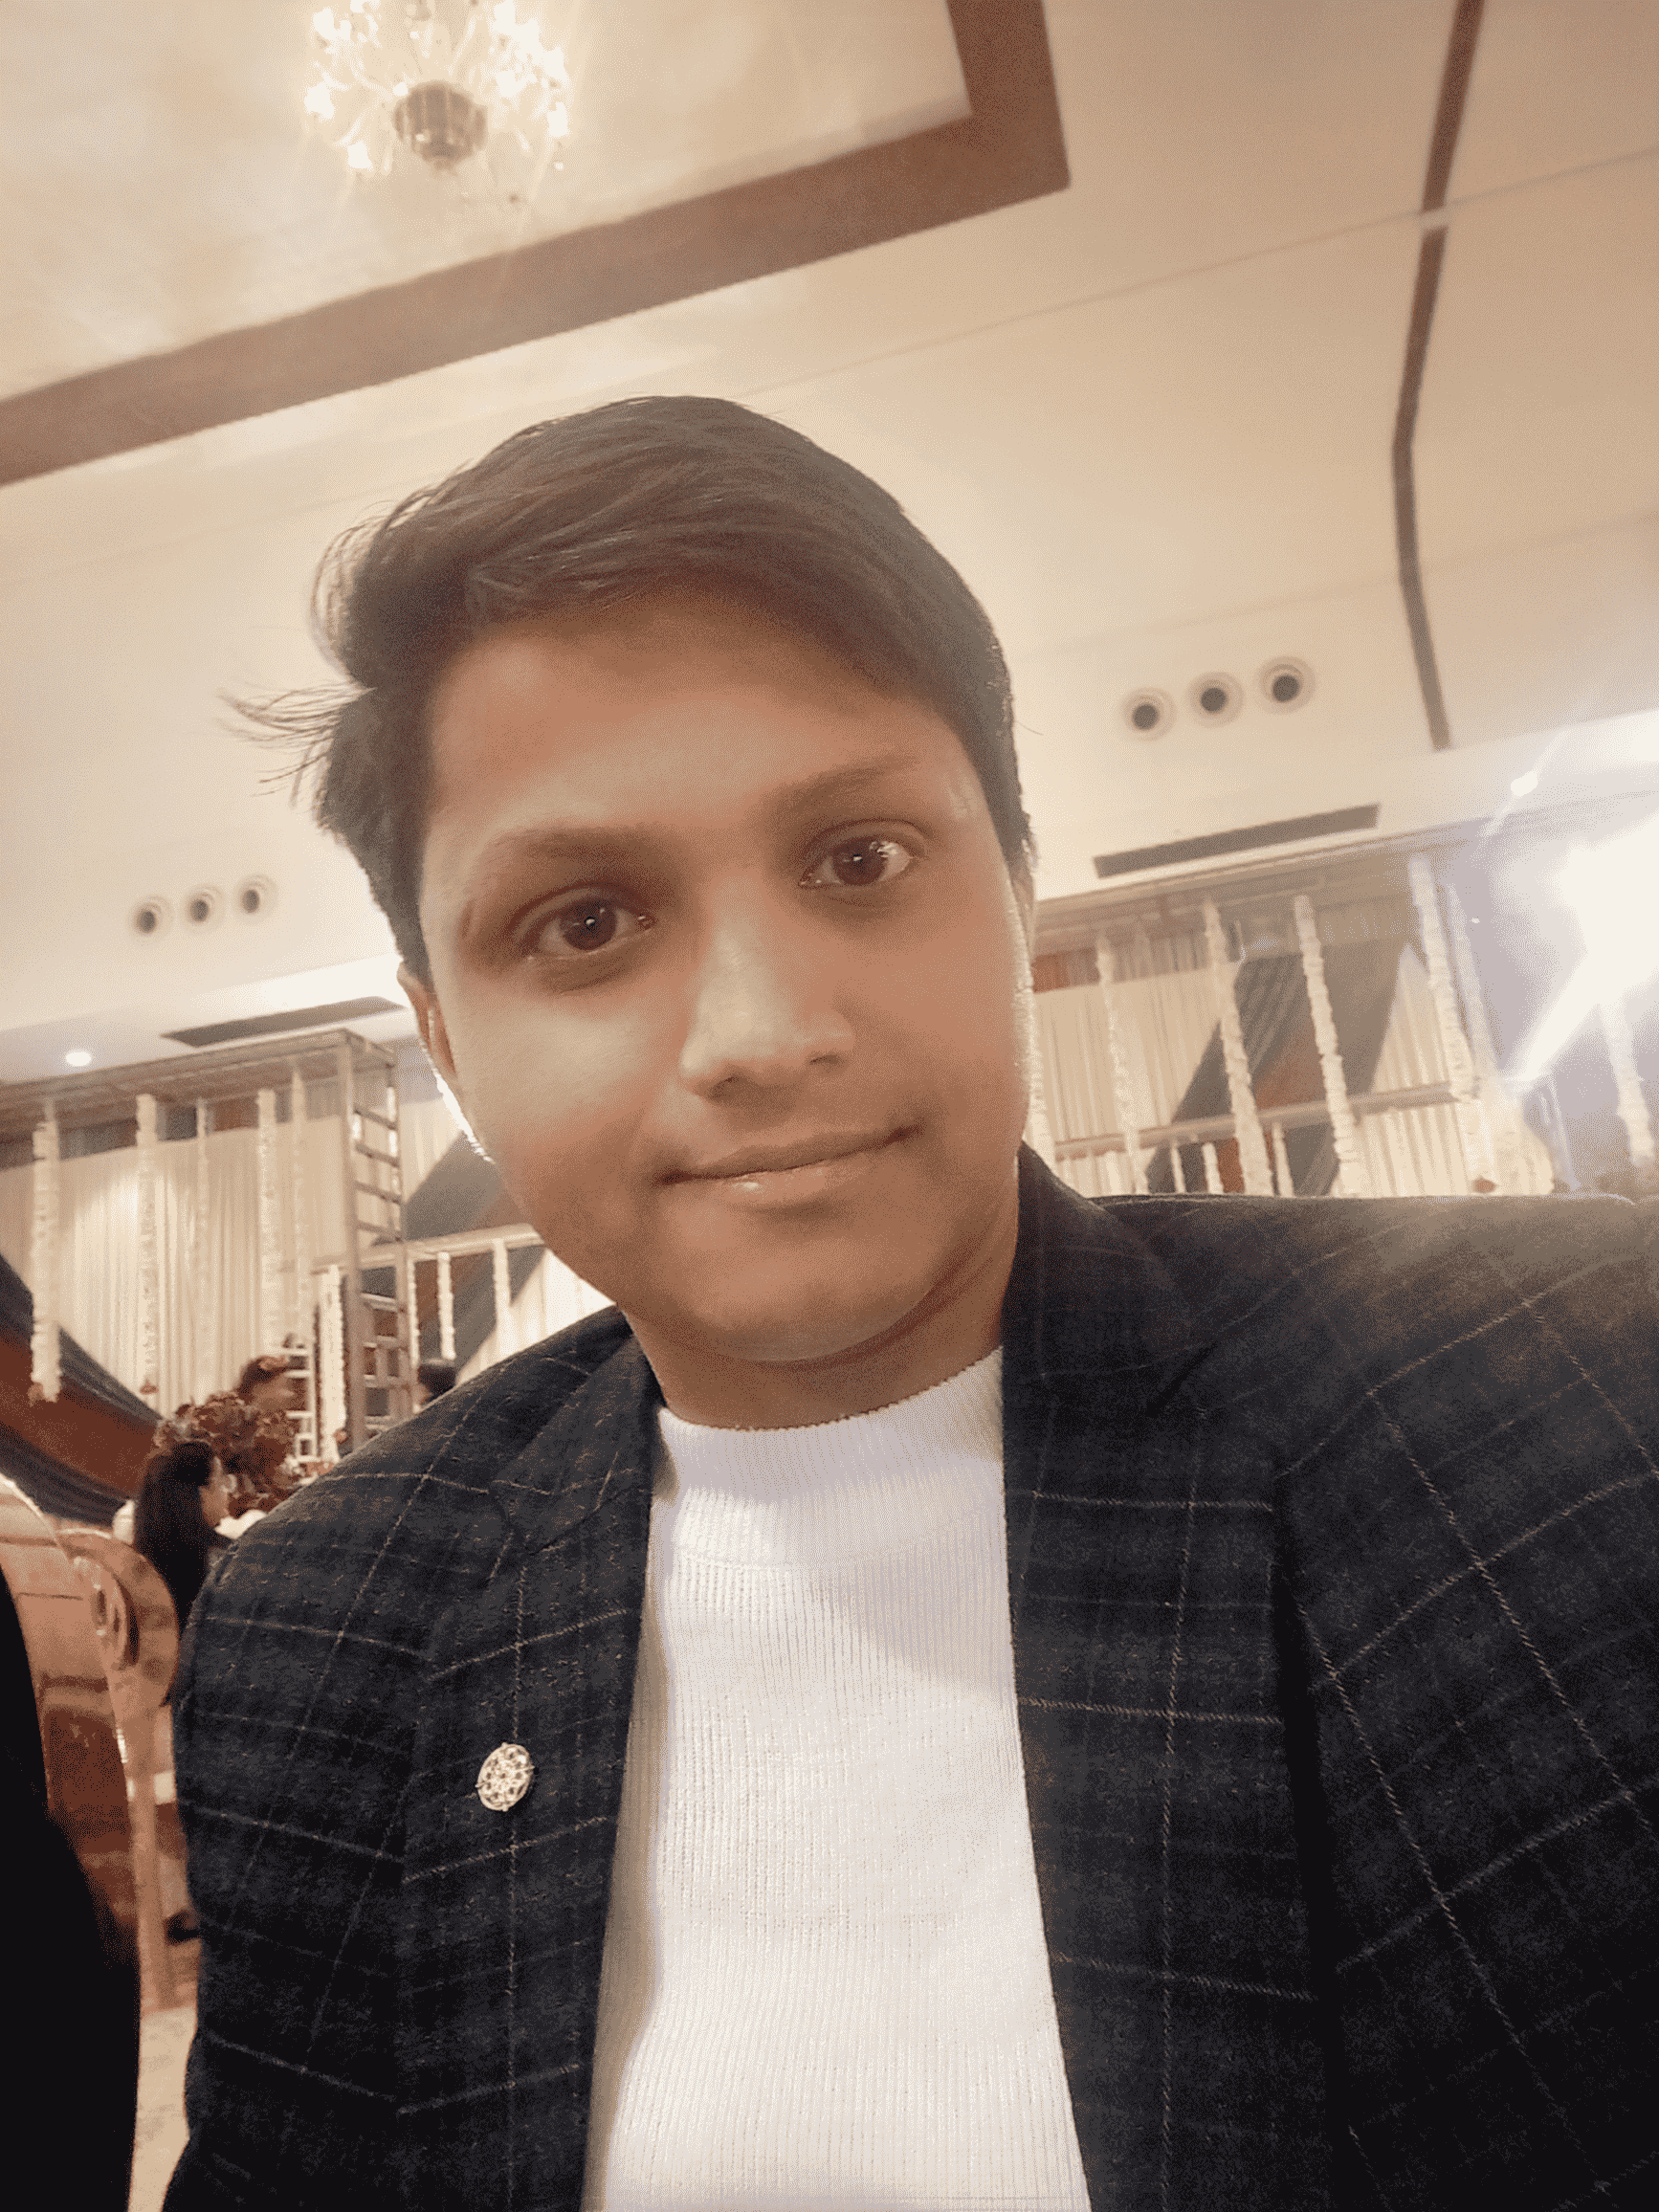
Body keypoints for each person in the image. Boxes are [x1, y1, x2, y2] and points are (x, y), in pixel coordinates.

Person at [165, 398, 1659, 2212]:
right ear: (444, 1039)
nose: (762, 1032)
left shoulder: (1574, 1422)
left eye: (858, 859)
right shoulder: (330, 1633)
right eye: (585, 922)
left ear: (1015, 893)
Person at [130, 1429, 233, 1675]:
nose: (228, 1493)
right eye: (221, 1483)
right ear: (200, 1495)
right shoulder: (223, 1561)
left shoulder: (138, 1562)